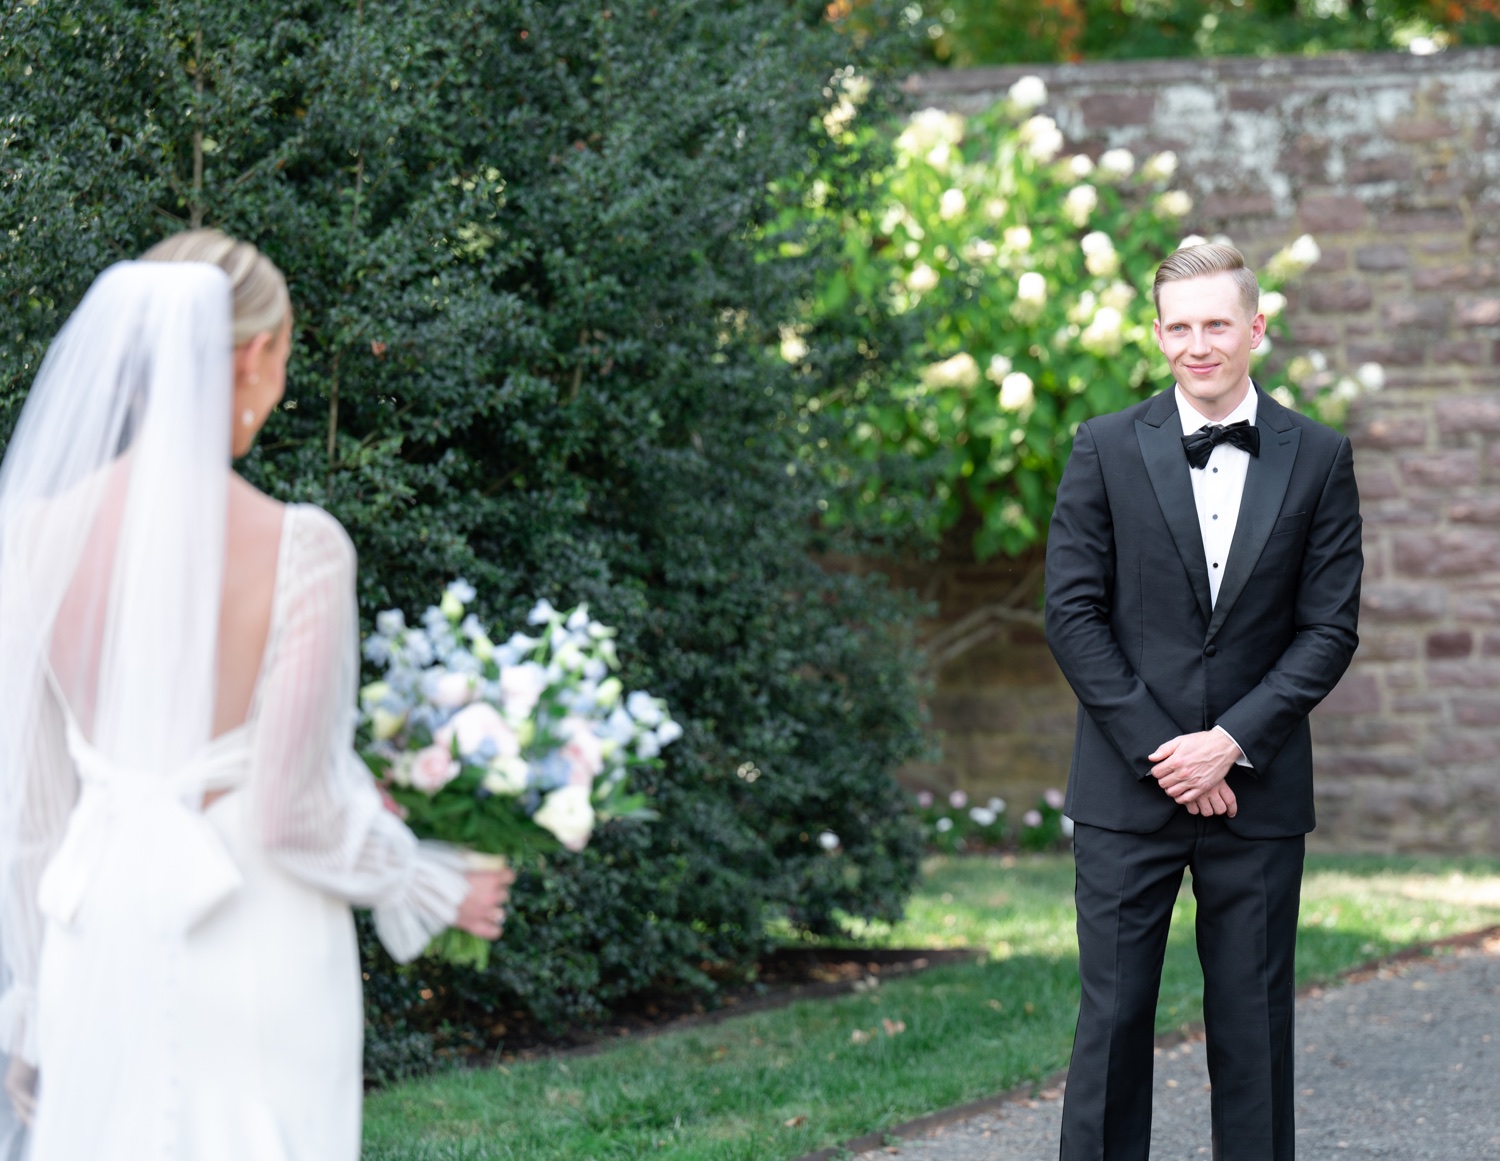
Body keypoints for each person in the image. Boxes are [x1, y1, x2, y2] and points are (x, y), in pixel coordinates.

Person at [0, 231, 511, 1159]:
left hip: (92, 929)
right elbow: (289, 809)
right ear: (253, 356)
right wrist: (423, 875)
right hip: (254, 934)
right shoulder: (300, 549)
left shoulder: (32, 541)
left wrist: (30, 1003)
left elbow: (31, 817)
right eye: (282, 358)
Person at [1045, 242, 1362, 1160]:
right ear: (1156, 334)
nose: (1197, 344)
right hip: (1125, 789)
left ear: (1256, 328)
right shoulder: (1103, 447)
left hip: (1255, 792)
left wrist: (1228, 741)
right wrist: (1168, 751)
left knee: (1256, 1031)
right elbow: (1070, 615)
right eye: (1178, 326)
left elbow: (1328, 630)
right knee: (1110, 1026)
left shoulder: (1320, 458)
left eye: (1216, 323)